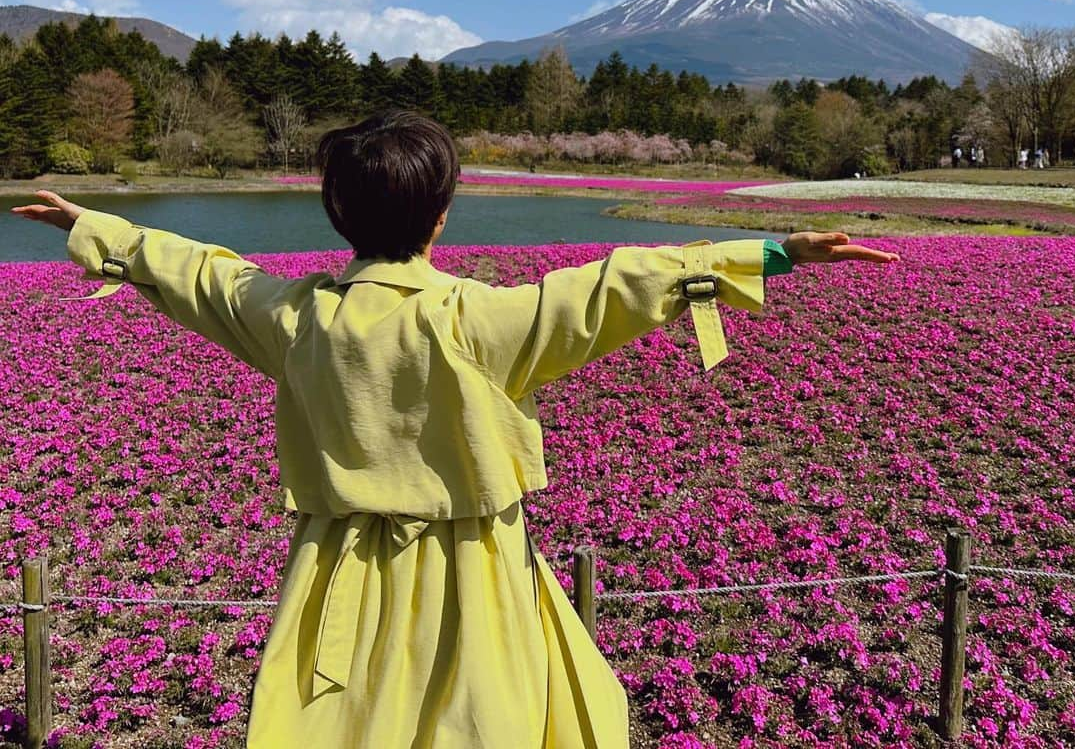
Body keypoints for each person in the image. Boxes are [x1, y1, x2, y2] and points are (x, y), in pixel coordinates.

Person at [13, 109, 900, 748]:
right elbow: (623, 282)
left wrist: (97, 226)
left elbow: (201, 273)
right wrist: (773, 251)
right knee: (491, 719)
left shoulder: (296, 317)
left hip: (339, 569)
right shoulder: (482, 319)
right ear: (443, 215)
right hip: (476, 568)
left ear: (336, 215)